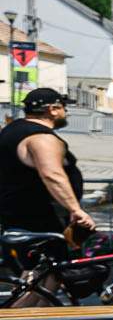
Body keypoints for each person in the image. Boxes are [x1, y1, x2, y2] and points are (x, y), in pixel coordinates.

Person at [0, 87, 90, 242]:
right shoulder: (41, 137)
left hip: (15, 217)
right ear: (53, 109)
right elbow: (52, 175)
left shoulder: (12, 130)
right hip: (39, 223)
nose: (66, 112)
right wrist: (75, 209)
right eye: (64, 107)